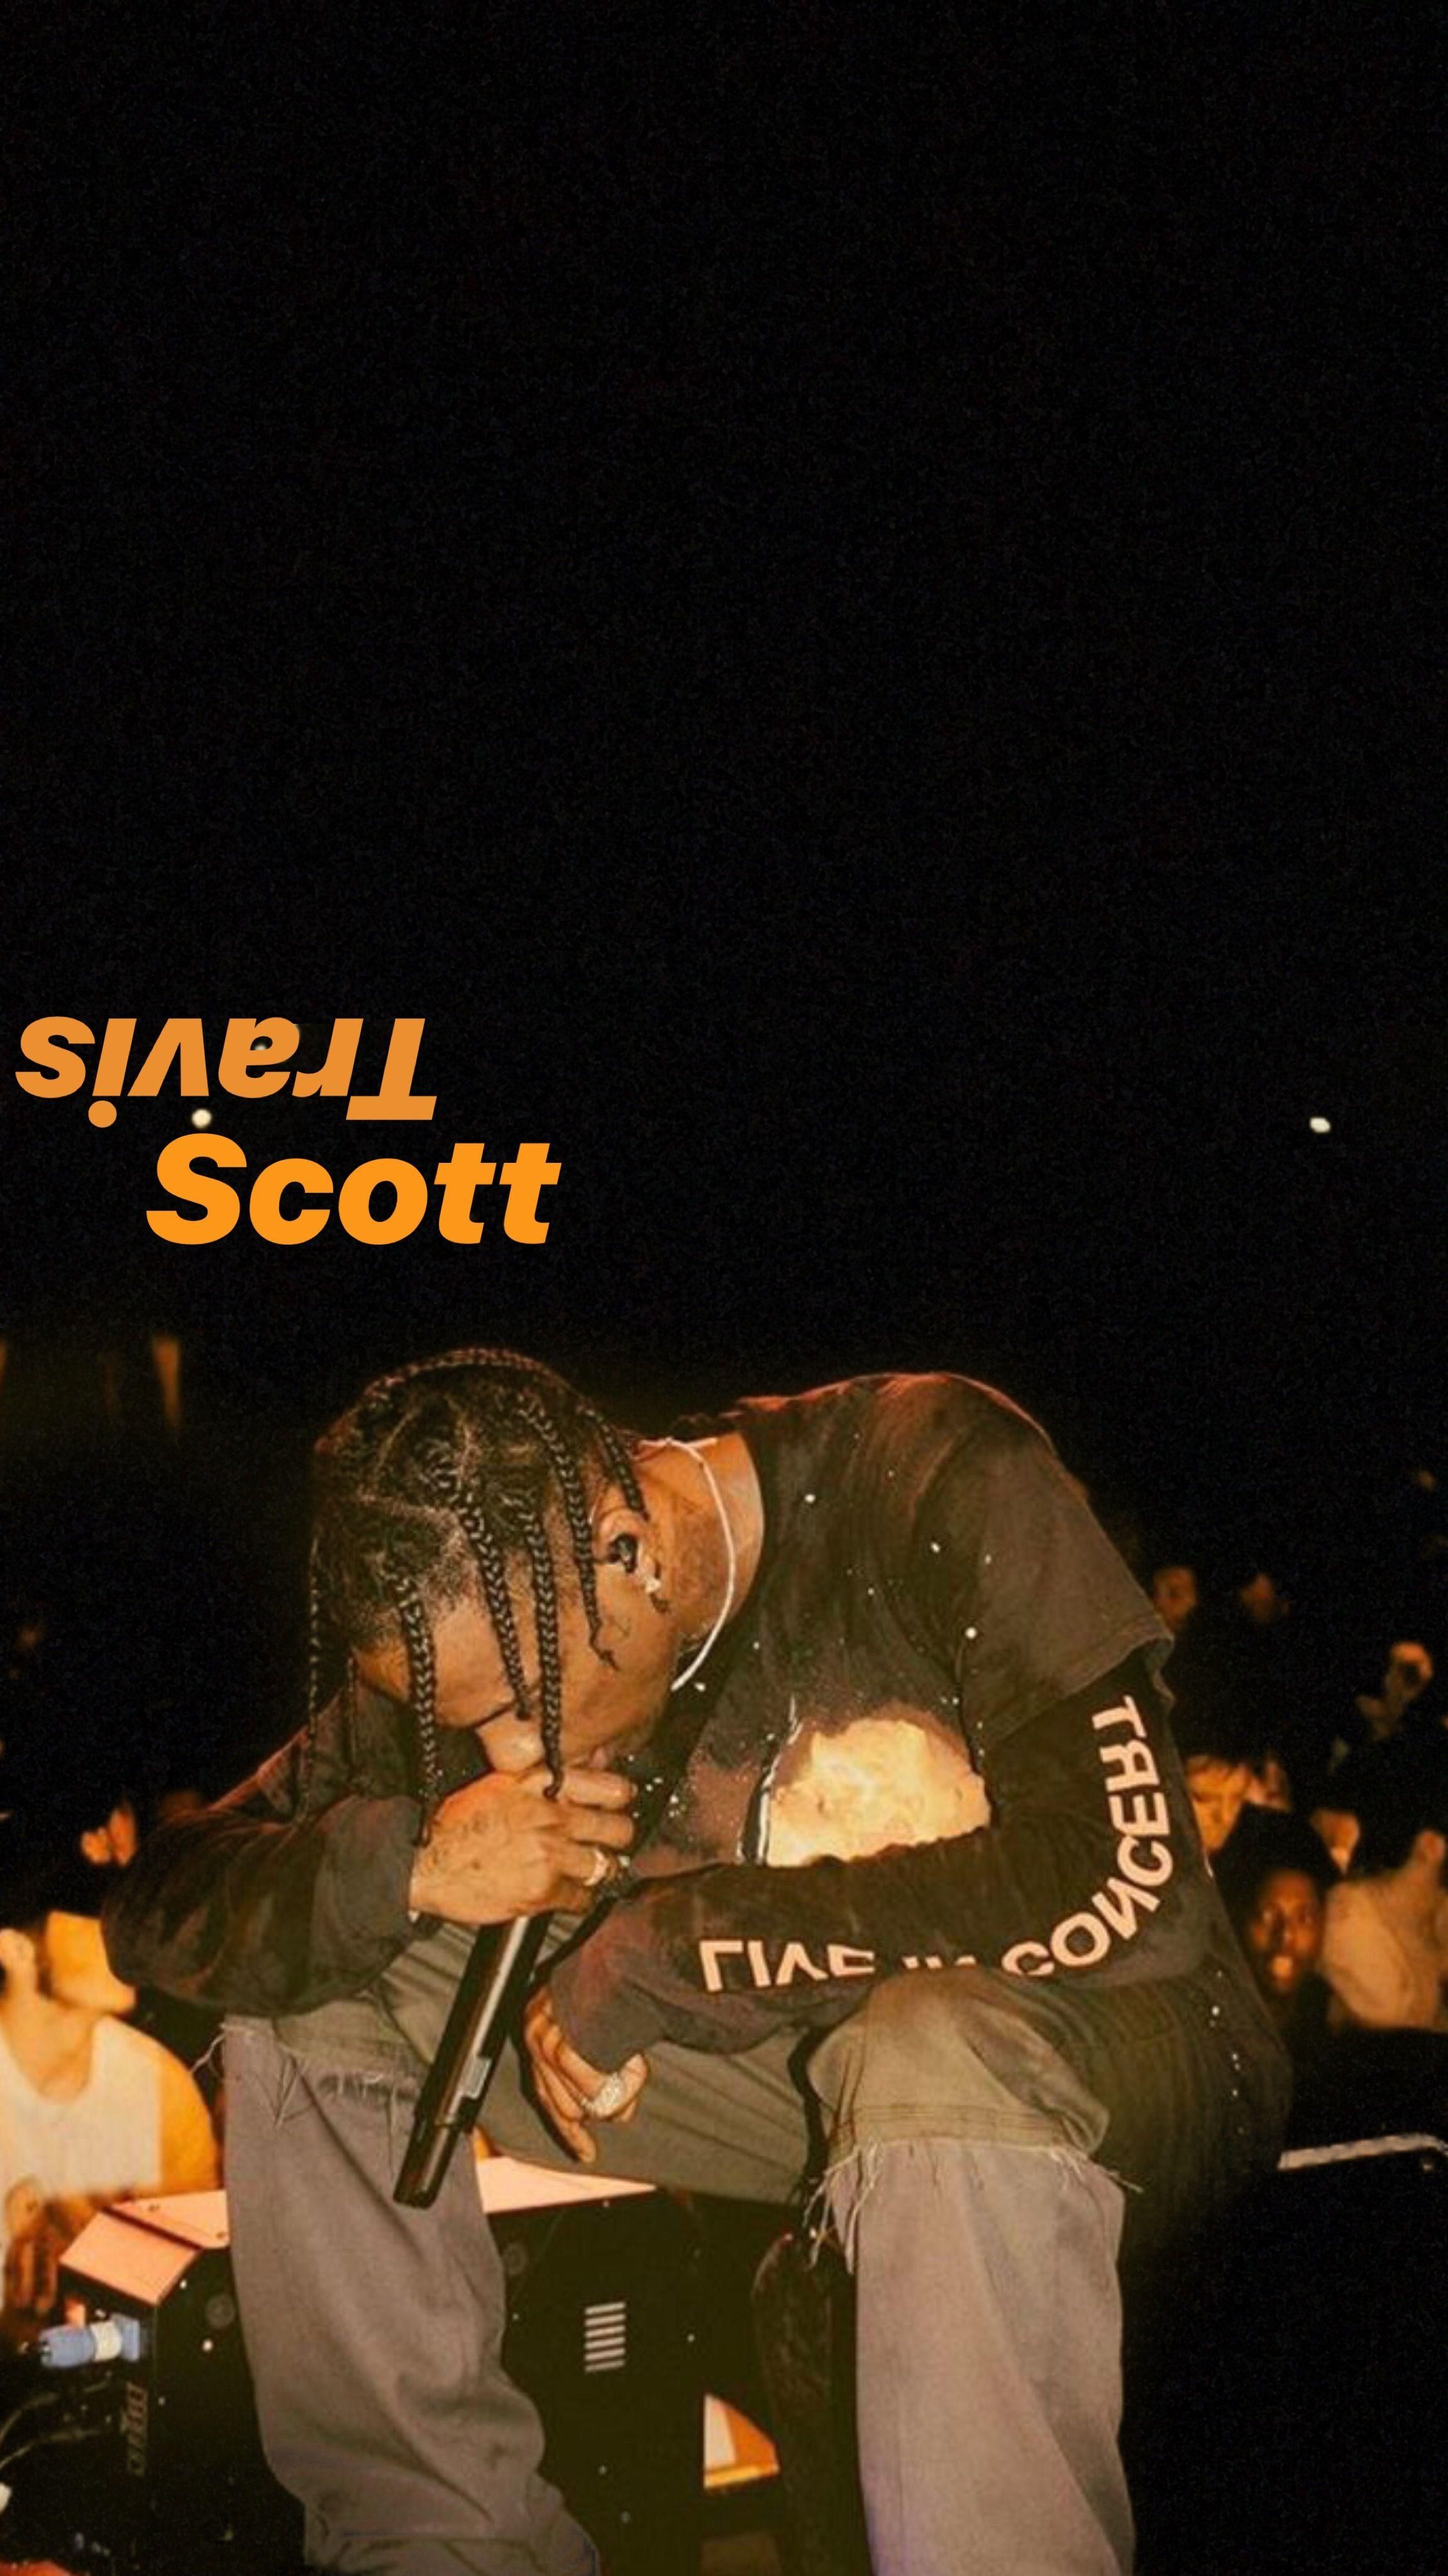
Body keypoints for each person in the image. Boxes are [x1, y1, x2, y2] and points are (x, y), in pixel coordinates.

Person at [105, 1352, 1288, 2576]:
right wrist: (417, 1860)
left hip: (1119, 2039)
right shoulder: (483, 1606)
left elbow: (1118, 1878)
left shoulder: (925, 1467)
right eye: (462, 1724)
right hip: (803, 2072)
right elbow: (159, 1904)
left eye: (517, 1703)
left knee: (925, 2040)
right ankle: (443, 2546)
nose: (500, 1754)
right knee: (320, 1959)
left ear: (625, 1548)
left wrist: (670, 1951)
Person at [0, 1829, 218, 2330]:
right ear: (16, 1948)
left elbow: (194, 2301)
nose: (124, 1932)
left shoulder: (158, 2087)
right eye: (92, 1916)